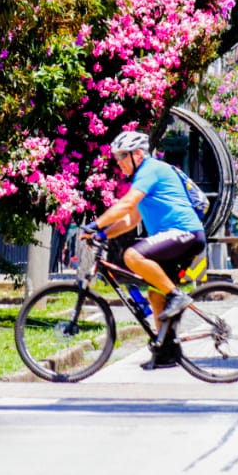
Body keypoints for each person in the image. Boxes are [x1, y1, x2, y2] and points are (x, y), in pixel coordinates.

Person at [82, 130, 207, 369]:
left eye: (121, 157)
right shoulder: (145, 177)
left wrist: (95, 223)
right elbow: (131, 218)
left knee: (132, 255)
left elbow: (127, 204)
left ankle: (177, 296)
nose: (118, 163)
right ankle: (168, 353)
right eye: (117, 157)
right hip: (176, 237)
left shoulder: (150, 170)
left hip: (185, 233)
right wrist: (103, 234)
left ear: (137, 155)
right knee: (154, 294)